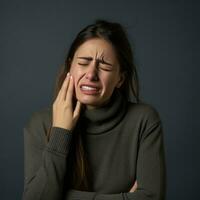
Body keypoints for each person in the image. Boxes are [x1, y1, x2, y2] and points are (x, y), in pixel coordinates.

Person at [22, 19, 166, 200]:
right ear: (69, 67)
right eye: (83, 63)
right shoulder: (40, 123)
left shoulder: (144, 120)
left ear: (120, 79)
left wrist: (63, 196)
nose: (91, 74)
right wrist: (61, 132)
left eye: (104, 66)